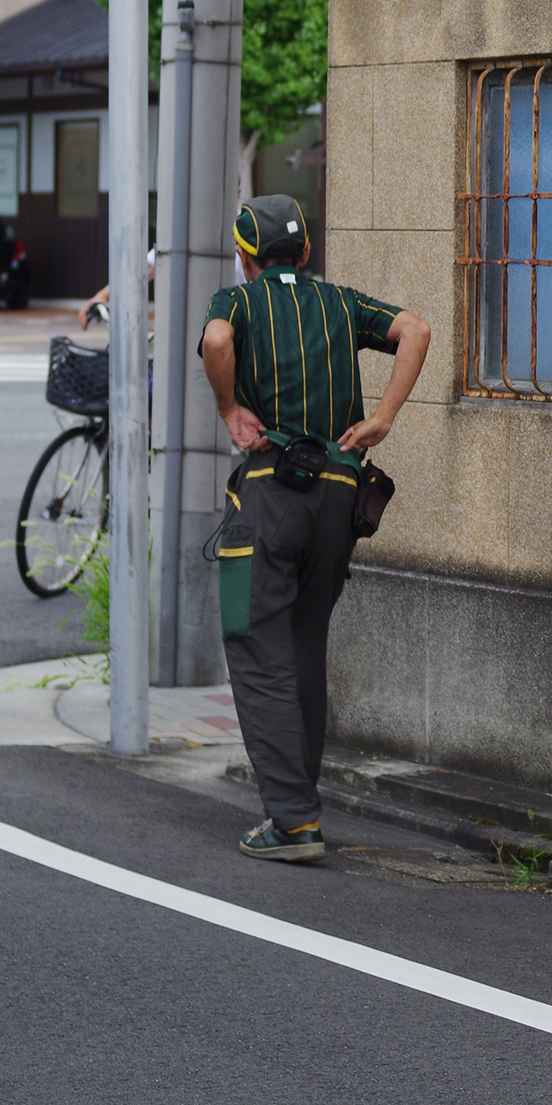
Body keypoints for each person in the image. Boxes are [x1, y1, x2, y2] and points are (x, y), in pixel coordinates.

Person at [199, 193, 430, 863]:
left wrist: (229, 409)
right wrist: (383, 416)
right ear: (304, 251)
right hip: (339, 491)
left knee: (255, 640)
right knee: (304, 644)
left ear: (245, 256)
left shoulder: (238, 303)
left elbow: (217, 342)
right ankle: (299, 804)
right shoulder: (341, 302)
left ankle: (293, 821)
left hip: (273, 489)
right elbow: (416, 330)